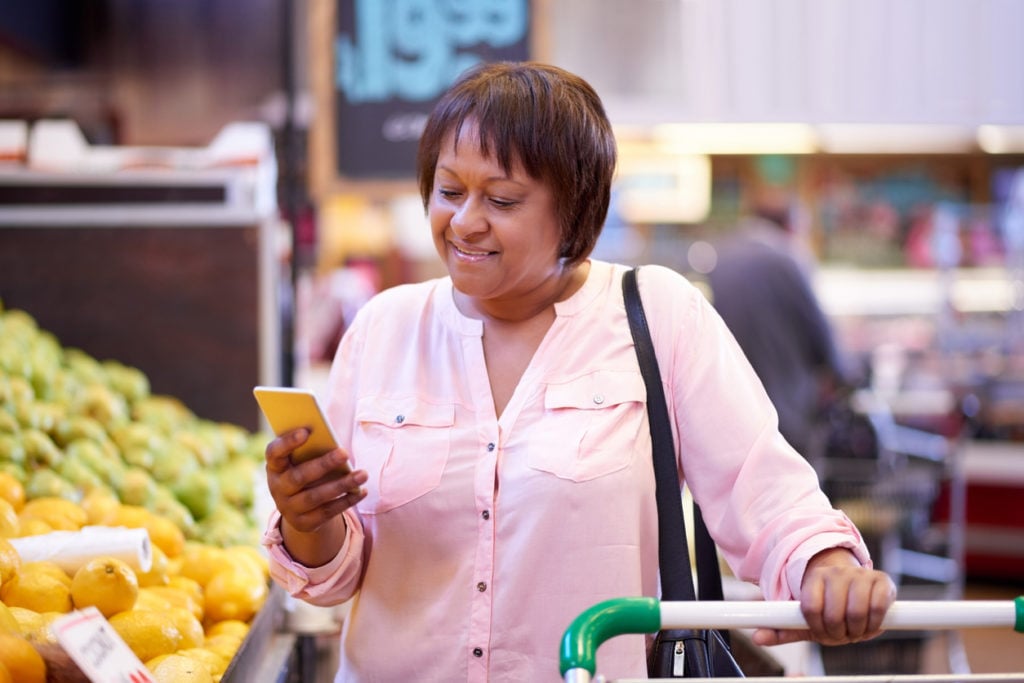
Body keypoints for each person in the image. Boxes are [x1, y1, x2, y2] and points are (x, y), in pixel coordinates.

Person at [262, 61, 895, 682]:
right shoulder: (383, 330)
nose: (464, 221)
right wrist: (305, 520)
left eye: (502, 199)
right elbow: (334, 578)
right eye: (449, 191)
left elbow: (763, 483)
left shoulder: (657, 316)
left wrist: (827, 565)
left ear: (575, 209)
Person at [706, 197, 850, 459]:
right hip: (789, 411)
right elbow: (819, 332)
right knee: (794, 494)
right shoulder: (785, 259)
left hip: (736, 411)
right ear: (790, 223)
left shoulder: (722, 258)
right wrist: (844, 373)